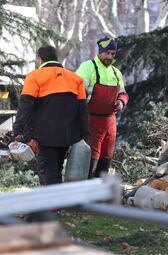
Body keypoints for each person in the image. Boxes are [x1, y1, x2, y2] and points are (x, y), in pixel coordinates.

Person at [13, 45, 88, 186]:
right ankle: (57, 204)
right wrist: (84, 135)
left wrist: (18, 129)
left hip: (43, 134)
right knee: (57, 167)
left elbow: (25, 104)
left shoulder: (34, 76)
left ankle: (52, 206)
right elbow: (83, 110)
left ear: (40, 60)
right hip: (67, 134)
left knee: (48, 170)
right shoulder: (76, 79)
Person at [76, 36, 129, 178]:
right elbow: (76, 92)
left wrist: (121, 101)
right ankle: (85, 187)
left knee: (107, 155)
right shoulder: (87, 67)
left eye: (112, 54)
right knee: (92, 155)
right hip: (91, 120)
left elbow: (123, 94)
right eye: (107, 53)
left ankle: (100, 190)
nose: (110, 57)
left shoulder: (116, 73)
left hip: (110, 122)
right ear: (100, 52)